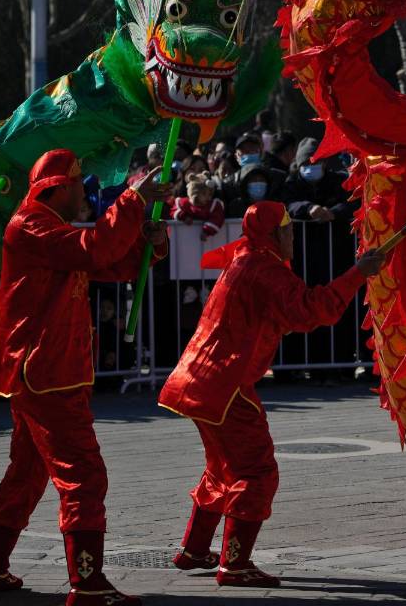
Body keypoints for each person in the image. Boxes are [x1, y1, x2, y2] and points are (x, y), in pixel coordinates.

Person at [0, 150, 171, 606]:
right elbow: (93, 249)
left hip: (51, 369)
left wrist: (148, 243)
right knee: (84, 474)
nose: (84, 192)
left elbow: (110, 261)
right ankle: (87, 582)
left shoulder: (51, 227)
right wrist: (133, 200)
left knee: (27, 473)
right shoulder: (31, 224)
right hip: (45, 370)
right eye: (78, 185)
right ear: (56, 188)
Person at [159, 201, 384, 586]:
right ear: (276, 234)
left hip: (203, 380)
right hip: (225, 384)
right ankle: (235, 564)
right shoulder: (262, 267)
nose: (294, 236)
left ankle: (195, 549)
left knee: (223, 468)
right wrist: (358, 274)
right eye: (289, 230)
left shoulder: (248, 259)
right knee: (256, 471)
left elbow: (291, 313)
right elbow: (313, 310)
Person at [172, 173, 226, 241]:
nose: (208, 197)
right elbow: (174, 210)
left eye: (209, 194)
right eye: (204, 194)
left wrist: (206, 231)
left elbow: (217, 218)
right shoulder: (184, 203)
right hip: (184, 240)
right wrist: (183, 217)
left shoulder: (213, 206)